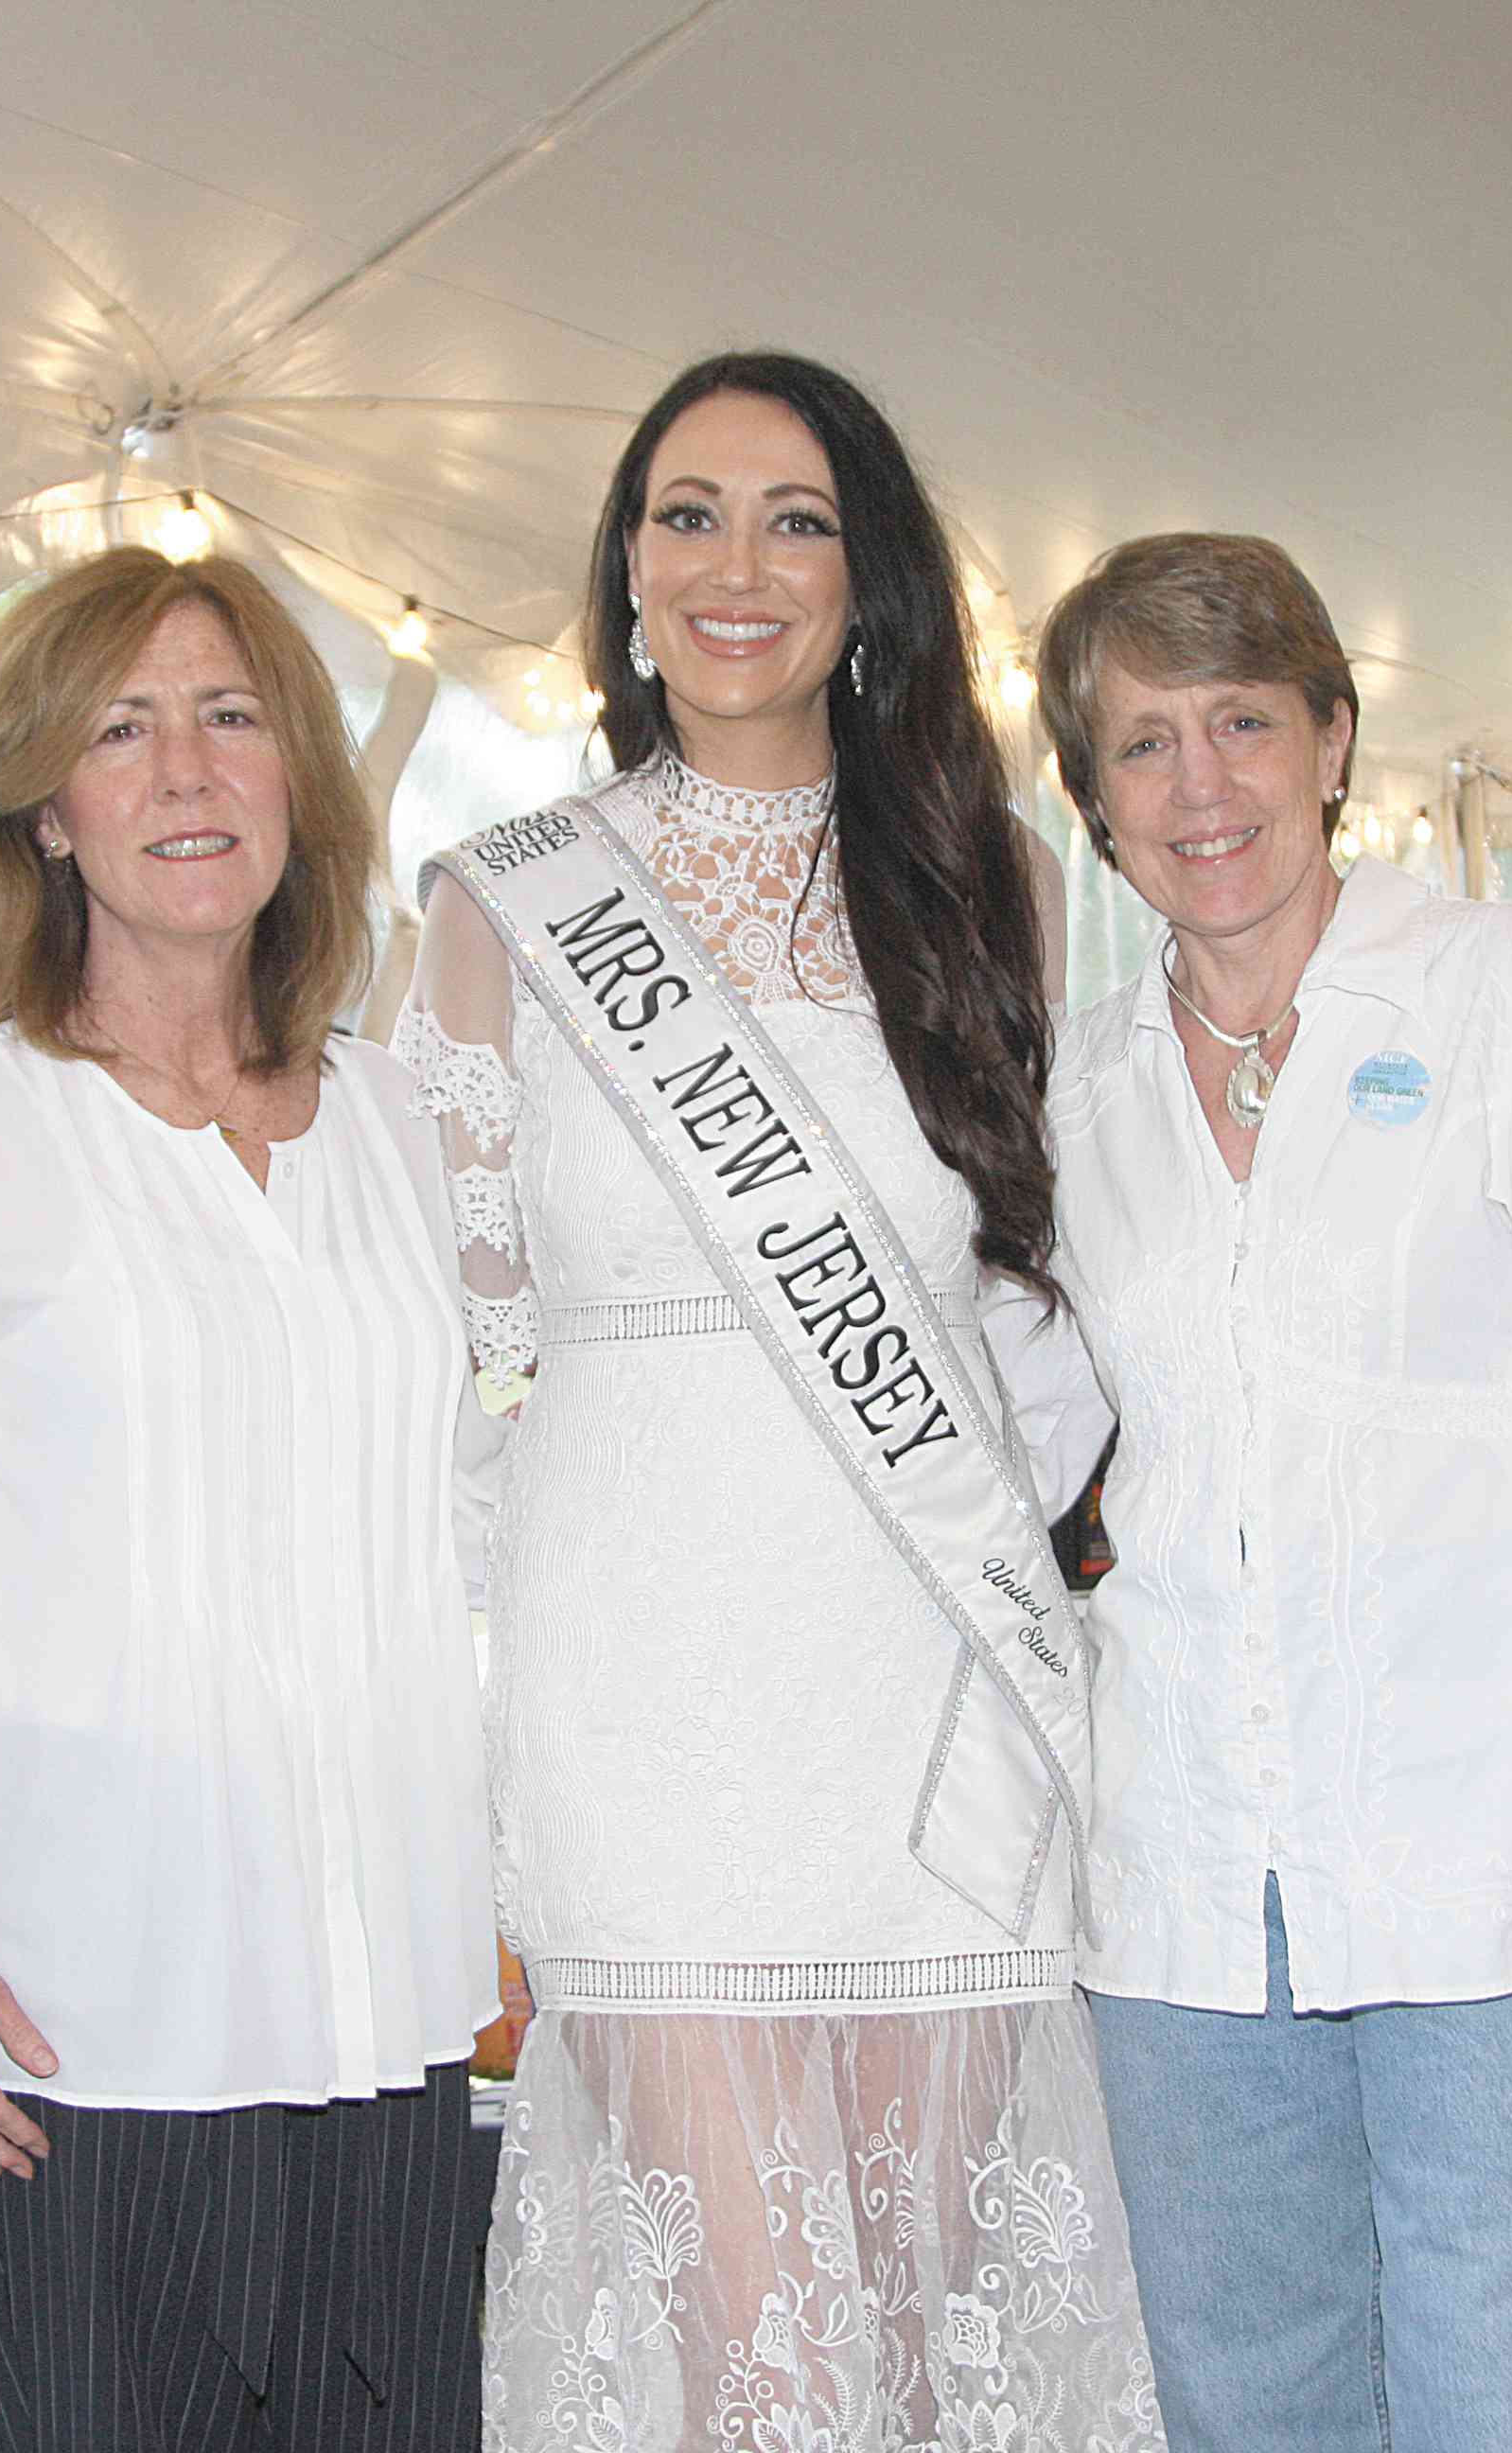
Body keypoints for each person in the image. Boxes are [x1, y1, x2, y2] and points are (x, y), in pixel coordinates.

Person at [395, 350, 1166, 2447]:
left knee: (908, 2349)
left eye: (796, 519)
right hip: (643, 1720)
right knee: (770, 2371)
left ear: (866, 579)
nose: (737, 564)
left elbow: (1040, 1314)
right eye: (690, 514)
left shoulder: (991, 880)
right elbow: (465, 1359)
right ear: (627, 571)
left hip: (921, 1705)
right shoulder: (498, 905)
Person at [1018, 532, 1512, 2451]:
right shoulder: (1075, 1091)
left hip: (1490, 1883)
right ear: (1091, 802)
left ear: (1332, 740)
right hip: (1184, 1895)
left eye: (1243, 721)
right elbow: (1024, 1442)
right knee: (1246, 2407)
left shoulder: (1500, 998)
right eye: (1143, 743)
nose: (1201, 785)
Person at [0, 547, 496, 2449]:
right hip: (88, 2008)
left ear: (298, 780)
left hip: (384, 1995)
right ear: (45, 807)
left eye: (230, 717)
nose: (187, 772)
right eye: (121, 730)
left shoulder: (395, 1120)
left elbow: (460, 1505)